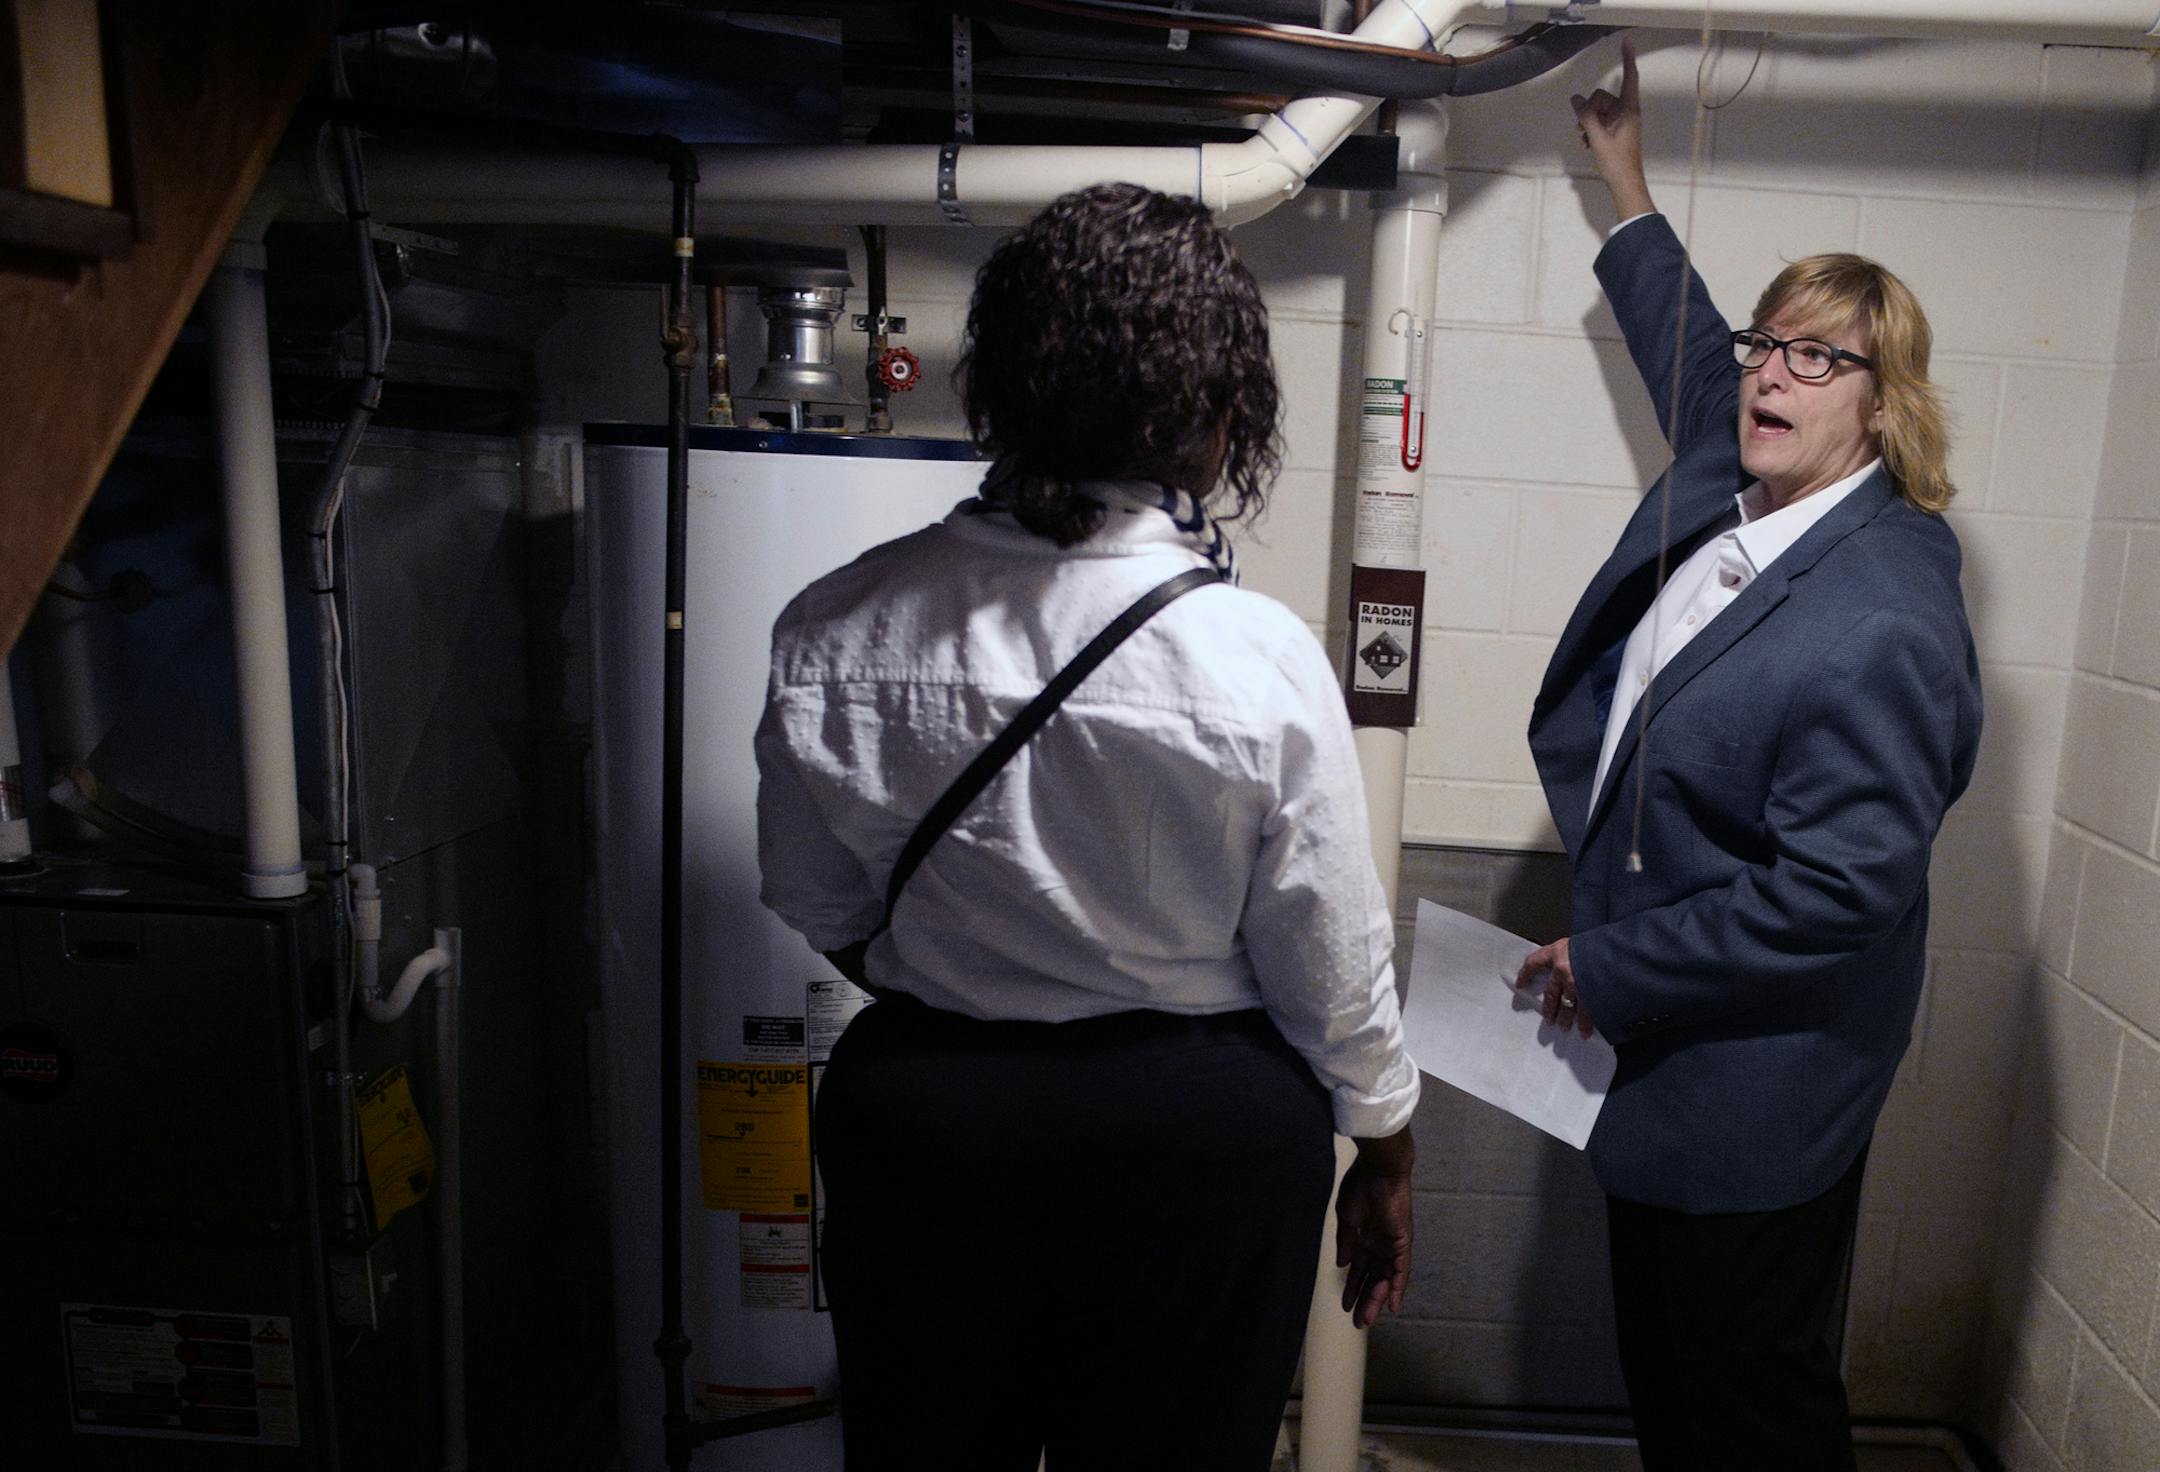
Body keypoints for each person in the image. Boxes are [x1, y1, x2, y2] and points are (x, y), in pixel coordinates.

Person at [755, 182, 1420, 1472]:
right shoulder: (1256, 656)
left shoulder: (836, 620)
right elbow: (1330, 964)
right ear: (1213, 415)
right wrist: (1385, 1150)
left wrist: (979, 986)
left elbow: (818, 901)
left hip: (928, 1127)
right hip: (1199, 1147)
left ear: (1005, 389)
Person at [1511, 36, 1982, 1471]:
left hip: (1756, 1098)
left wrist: (1615, 966)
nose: (1771, 371)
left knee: (1746, 1414)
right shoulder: (1748, 472)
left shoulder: (1884, 613)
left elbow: (1840, 893)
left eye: (1816, 356)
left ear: (1881, 403)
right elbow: (1684, 335)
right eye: (1766, 346)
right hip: (1672, 1067)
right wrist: (1624, 176)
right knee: (1677, 1398)